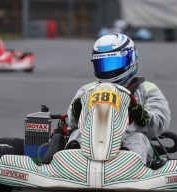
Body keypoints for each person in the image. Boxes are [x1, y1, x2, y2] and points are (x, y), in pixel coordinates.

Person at [67, 33, 171, 167]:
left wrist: (143, 116)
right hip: (91, 140)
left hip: (128, 140)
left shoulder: (147, 89)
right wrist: (76, 113)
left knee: (138, 140)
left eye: (113, 63)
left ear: (130, 59)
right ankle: (72, 163)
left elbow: (160, 122)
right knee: (77, 134)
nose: (108, 69)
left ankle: (130, 166)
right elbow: (72, 123)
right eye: (103, 64)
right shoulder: (87, 91)